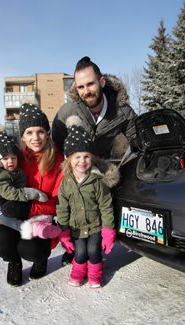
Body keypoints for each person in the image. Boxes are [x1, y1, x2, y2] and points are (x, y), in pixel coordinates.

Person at [52, 56, 137, 265]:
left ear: (101, 82)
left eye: (90, 84)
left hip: (99, 167)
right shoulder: (67, 111)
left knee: (100, 205)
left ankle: (99, 241)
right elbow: (56, 142)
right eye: (80, 86)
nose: (86, 91)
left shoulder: (122, 111)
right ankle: (74, 246)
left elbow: (138, 140)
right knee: (71, 205)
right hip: (73, 168)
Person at [0, 103, 65, 286]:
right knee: (0, 241)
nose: (35, 138)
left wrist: (29, 207)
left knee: (31, 249)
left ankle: (41, 259)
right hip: (12, 215)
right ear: (23, 136)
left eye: (40, 131)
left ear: (47, 133)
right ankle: (14, 262)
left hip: (41, 219)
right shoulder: (13, 156)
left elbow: (60, 201)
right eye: (29, 132)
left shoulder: (58, 160)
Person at [56, 117, 120, 288]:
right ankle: (78, 273)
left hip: (95, 227)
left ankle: (94, 275)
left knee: (93, 250)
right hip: (76, 228)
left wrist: (107, 230)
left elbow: (106, 206)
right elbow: (62, 208)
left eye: (86, 156)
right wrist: (63, 231)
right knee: (80, 251)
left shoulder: (97, 181)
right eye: (77, 156)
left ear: (92, 158)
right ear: (69, 159)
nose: (82, 161)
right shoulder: (66, 183)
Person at [0, 125, 60, 240]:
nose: (10, 161)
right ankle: (29, 228)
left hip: (30, 210)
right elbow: (7, 192)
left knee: (33, 247)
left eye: (13, 158)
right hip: (0, 211)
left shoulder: (56, 161)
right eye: (5, 158)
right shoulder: (2, 173)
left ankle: (39, 229)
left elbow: (58, 203)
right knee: (4, 235)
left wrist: (29, 207)